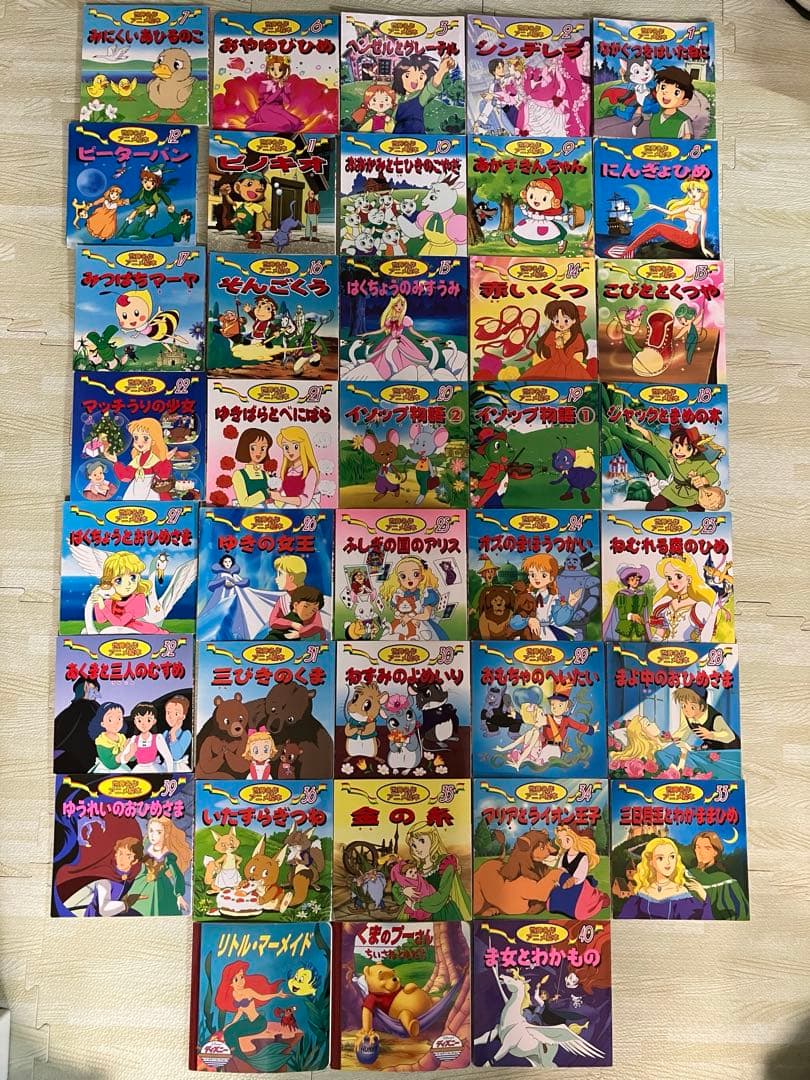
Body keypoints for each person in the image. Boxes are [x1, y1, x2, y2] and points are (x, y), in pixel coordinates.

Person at [625, 418, 720, 510]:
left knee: (698, 512)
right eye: (677, 445)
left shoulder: (699, 461)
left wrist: (704, 479)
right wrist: (636, 427)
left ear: (694, 450)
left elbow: (714, 474)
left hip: (694, 496)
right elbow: (654, 438)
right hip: (673, 492)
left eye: (687, 448)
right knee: (652, 507)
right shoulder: (670, 450)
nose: (679, 451)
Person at [390, 822, 471, 920]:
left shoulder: (445, 864)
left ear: (433, 839)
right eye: (413, 845)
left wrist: (416, 905)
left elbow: (441, 896)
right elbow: (398, 886)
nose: (417, 849)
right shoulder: (416, 867)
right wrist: (404, 891)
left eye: (422, 841)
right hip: (417, 914)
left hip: (440, 912)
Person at [618, 837, 712, 919]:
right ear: (651, 862)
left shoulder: (681, 893)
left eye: (672, 856)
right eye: (660, 858)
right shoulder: (642, 893)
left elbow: (700, 925)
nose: (668, 862)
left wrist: (704, 897)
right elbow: (624, 922)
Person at [214, 961, 287, 1060]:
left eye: (242, 977)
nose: (241, 981)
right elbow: (240, 1012)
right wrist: (230, 1024)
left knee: (231, 1033)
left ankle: (240, 1057)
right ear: (230, 983)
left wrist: (277, 995)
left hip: (258, 1022)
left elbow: (261, 997)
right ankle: (237, 1055)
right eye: (236, 979)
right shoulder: (234, 994)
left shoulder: (248, 991)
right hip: (250, 1021)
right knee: (228, 1031)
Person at [130, 817, 191, 916]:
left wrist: (179, 895)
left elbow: (177, 875)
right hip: (141, 882)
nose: (153, 835)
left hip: (160, 888)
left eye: (158, 832)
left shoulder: (168, 856)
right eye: (151, 831)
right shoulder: (146, 845)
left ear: (166, 834)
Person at [546, 824, 609, 918]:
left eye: (567, 840)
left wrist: (572, 880)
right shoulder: (564, 855)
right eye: (561, 840)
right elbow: (559, 869)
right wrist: (560, 879)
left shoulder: (582, 857)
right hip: (563, 883)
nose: (563, 843)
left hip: (577, 885)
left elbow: (580, 875)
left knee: (578, 909)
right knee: (552, 904)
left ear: (574, 838)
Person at [689, 831, 749, 920]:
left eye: (707, 848)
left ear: (715, 852)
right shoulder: (687, 875)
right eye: (698, 847)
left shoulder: (726, 881)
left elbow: (738, 915)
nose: (701, 852)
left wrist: (705, 897)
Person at [602, 564, 653, 640]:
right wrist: (631, 616)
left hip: (639, 631)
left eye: (637, 580)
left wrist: (646, 626)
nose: (635, 582)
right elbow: (620, 614)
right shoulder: (621, 595)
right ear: (627, 581)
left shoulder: (642, 595)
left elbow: (645, 614)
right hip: (624, 631)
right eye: (632, 579)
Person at [230, 427, 275, 507]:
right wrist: (266, 493)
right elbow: (244, 503)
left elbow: (273, 497)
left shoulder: (265, 474)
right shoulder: (239, 475)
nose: (259, 452)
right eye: (253, 448)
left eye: (263, 448)